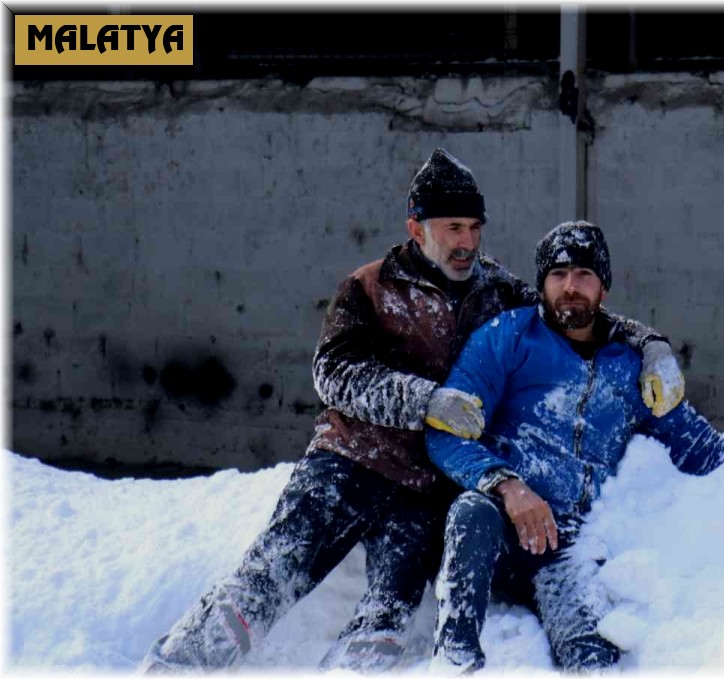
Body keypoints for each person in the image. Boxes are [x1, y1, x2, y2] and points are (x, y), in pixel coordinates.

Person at [138, 151, 685, 674]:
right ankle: (174, 667)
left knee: (387, 622)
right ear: (416, 227)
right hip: (349, 462)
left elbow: (569, 311)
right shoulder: (370, 287)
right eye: (452, 227)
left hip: (425, 488)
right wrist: (425, 400)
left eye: (474, 227)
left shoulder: (495, 290)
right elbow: (334, 373)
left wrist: (651, 343)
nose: (466, 241)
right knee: (267, 579)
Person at [424, 221, 724, 673]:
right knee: (472, 510)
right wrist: (507, 486)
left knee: (592, 661)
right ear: (542, 284)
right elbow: (445, 430)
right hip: (498, 525)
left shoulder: (630, 368)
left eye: (584, 275)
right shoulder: (506, 337)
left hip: (563, 546)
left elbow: (700, 449)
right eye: (558, 275)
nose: (571, 287)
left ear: (603, 287)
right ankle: (454, 659)